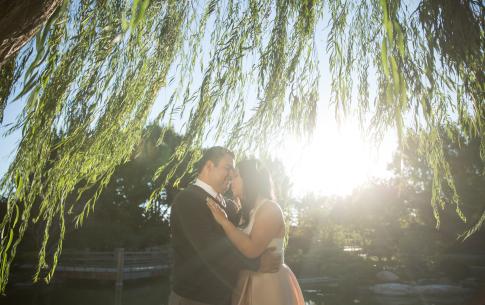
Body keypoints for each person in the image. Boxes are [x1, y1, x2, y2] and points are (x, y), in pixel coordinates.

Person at [169, 147, 281, 305]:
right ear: (209, 166)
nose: (231, 175)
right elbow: (209, 249)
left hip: (229, 297)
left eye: (234, 171)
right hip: (194, 298)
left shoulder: (230, 206)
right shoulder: (188, 199)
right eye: (227, 168)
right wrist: (257, 264)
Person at [206, 159, 305, 305]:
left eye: (236, 177)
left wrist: (224, 221)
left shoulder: (270, 209)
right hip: (245, 283)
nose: (231, 182)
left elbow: (251, 250)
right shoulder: (247, 213)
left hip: (268, 286)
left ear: (251, 180)